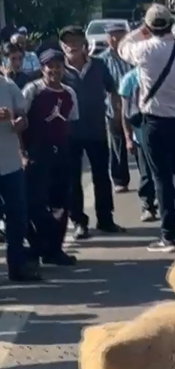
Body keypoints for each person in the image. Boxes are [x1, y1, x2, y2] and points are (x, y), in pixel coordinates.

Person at [118, 4, 175, 252]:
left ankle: (168, 235)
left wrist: (140, 30)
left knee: (160, 178)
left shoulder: (144, 49)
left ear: (149, 27)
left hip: (154, 121)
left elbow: (122, 46)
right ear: (170, 24)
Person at [60, 25, 125, 240]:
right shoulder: (58, 69)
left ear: (84, 44)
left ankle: (106, 220)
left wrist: (116, 114)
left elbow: (113, 90)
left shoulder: (98, 65)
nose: (72, 46)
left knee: (101, 177)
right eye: (67, 42)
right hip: (69, 132)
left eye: (76, 41)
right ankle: (78, 222)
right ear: (62, 46)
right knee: (72, 179)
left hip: (96, 129)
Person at [21, 49, 79, 268]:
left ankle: (55, 251)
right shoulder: (32, 90)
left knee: (61, 204)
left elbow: (70, 121)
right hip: (37, 153)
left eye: (58, 66)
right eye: (49, 66)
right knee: (35, 203)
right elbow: (21, 120)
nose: (54, 70)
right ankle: (38, 245)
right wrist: (22, 152)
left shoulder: (69, 93)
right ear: (42, 68)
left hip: (61, 153)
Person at [0, 70, 41, 281]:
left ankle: (17, 266)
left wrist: (18, 122)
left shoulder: (7, 85)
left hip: (10, 163)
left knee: (17, 216)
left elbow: (22, 116)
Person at [98, 23, 133, 193]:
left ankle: (147, 182)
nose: (115, 39)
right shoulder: (102, 59)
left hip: (134, 106)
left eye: (119, 35)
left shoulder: (132, 56)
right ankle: (120, 179)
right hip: (112, 108)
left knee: (139, 145)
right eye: (111, 35)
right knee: (117, 145)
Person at [119, 67, 157, 222]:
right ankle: (148, 206)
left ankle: (173, 204)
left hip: (163, 132)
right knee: (146, 174)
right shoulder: (130, 79)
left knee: (168, 171)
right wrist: (128, 139)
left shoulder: (161, 72)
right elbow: (125, 113)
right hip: (141, 135)